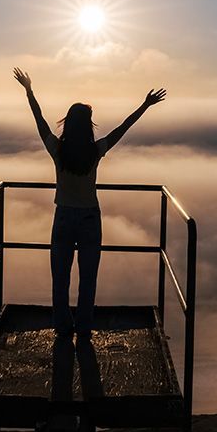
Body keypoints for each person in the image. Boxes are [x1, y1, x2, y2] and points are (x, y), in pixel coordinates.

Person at [13, 68, 166, 338]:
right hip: (89, 219)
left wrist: (29, 90)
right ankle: (84, 328)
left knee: (60, 279)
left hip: (63, 217)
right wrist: (145, 105)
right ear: (88, 125)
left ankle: (63, 327)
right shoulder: (95, 151)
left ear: (68, 124)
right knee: (88, 278)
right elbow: (122, 129)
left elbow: (40, 121)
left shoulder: (57, 149)